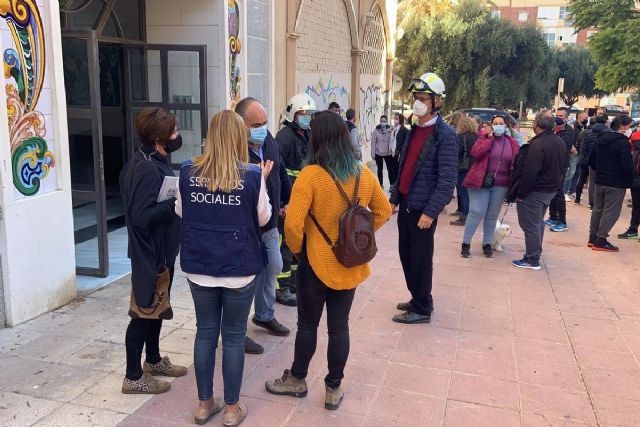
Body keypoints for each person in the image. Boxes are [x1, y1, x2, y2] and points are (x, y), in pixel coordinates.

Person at [264, 111, 391, 410]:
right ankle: (333, 388)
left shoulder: (311, 175)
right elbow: (384, 211)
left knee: (307, 326)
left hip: (315, 264)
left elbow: (293, 226)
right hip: (349, 263)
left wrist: (298, 251)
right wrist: (359, 236)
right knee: (339, 327)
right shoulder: (362, 172)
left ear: (316, 138)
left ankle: (297, 379)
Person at [176, 110, 272, 426]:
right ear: (238, 137)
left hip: (200, 265)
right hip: (239, 266)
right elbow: (263, 219)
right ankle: (231, 409)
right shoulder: (252, 175)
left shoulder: (187, 171)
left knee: (205, 333)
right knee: (232, 337)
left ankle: (205, 405)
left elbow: (181, 210)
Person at [119, 107, 186, 395]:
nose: (177, 136)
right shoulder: (145, 167)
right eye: (173, 132)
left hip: (162, 252)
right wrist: (174, 202)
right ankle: (133, 376)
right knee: (143, 312)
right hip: (150, 255)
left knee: (157, 308)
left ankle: (154, 360)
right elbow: (140, 216)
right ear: (159, 138)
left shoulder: (151, 159)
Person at [389, 72, 457, 324]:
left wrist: (431, 212)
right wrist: (394, 198)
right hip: (407, 204)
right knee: (406, 255)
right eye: (416, 97)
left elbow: (447, 180)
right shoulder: (413, 130)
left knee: (420, 258)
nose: (418, 102)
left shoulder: (445, 135)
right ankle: (417, 296)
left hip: (423, 210)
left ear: (437, 102)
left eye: (424, 98)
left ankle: (422, 307)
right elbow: (404, 166)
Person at [235, 97, 291, 356]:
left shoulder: (268, 140)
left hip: (268, 220)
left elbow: (280, 171)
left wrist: (285, 200)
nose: (261, 128)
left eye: (265, 123)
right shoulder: (231, 148)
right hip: (244, 225)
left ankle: (265, 314)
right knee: (245, 277)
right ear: (240, 124)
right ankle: (237, 330)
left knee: (274, 265)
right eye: (255, 124)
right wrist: (259, 180)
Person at [508, 110, 566, 270]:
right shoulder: (557, 141)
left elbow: (530, 171)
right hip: (549, 190)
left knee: (530, 225)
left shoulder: (538, 144)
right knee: (537, 223)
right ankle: (535, 252)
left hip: (536, 191)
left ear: (536, 124)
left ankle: (532, 258)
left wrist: (522, 193)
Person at [275, 93, 317, 306]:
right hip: (288, 200)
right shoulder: (284, 136)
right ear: (293, 114)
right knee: (284, 244)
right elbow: (278, 172)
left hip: (301, 200)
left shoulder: (307, 134)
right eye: (303, 114)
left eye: (309, 114)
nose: (307, 118)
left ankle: (292, 284)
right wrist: (282, 203)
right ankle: (281, 289)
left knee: (295, 243)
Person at [460, 115, 519, 257]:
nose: (498, 125)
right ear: (491, 125)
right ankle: (466, 243)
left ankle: (487, 243)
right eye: (495, 123)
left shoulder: (512, 143)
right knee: (476, 211)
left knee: (492, 215)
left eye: (501, 123)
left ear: (506, 126)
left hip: (501, 185)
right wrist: (490, 139)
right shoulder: (484, 138)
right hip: (481, 182)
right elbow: (476, 153)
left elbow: (516, 163)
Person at [588, 115, 634, 251]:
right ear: (622, 126)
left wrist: (600, 171)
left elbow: (591, 160)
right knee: (611, 211)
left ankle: (593, 237)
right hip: (616, 183)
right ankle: (601, 239)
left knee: (598, 209)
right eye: (628, 126)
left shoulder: (600, 139)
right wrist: (629, 179)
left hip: (600, 180)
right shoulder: (623, 142)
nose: (629, 129)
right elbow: (626, 164)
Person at [546, 107, 575, 232]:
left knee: (558, 192)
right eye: (557, 115)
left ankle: (562, 221)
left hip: (561, 165)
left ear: (567, 118)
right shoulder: (553, 129)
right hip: (551, 164)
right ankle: (553, 217)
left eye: (561, 116)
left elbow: (560, 147)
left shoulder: (568, 132)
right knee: (552, 191)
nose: (558, 117)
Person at [450, 115, 479, 226]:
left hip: (463, 168)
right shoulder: (476, 137)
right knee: (471, 194)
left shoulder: (461, 137)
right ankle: (470, 215)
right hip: (474, 168)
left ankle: (464, 216)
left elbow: (457, 153)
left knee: (463, 193)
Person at [575, 114, 609, 208]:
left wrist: (583, 156)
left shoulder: (586, 132)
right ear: (605, 122)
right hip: (597, 161)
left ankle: (578, 199)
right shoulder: (606, 133)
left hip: (584, 159)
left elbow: (582, 147)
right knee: (595, 182)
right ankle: (593, 203)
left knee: (582, 178)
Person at [618, 128, 640, 239]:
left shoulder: (635, 137)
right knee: (636, 206)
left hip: (635, 178)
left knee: (636, 206)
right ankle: (633, 229)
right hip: (636, 178)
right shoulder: (635, 137)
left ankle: (633, 229)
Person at [371, 115, 396, 188]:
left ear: (387, 121)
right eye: (381, 121)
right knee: (379, 169)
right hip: (378, 153)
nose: (382, 123)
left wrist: (393, 152)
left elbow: (393, 141)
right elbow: (373, 142)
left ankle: (391, 185)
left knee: (390, 169)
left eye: (384, 121)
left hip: (388, 153)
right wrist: (373, 153)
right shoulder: (376, 130)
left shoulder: (391, 130)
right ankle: (381, 185)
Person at [389, 112, 409, 191]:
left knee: (398, 170)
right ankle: (393, 185)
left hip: (399, 154)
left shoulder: (404, 130)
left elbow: (406, 143)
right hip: (393, 153)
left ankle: (397, 186)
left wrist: (400, 151)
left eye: (396, 119)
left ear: (400, 120)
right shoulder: (394, 130)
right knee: (393, 169)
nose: (395, 120)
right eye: (394, 118)